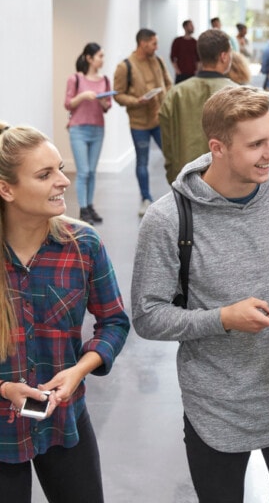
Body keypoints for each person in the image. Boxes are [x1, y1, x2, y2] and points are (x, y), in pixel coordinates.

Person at [131, 86, 269, 503]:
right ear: (218, 148)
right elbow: (147, 315)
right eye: (256, 144)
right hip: (216, 408)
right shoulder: (168, 219)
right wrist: (223, 318)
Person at [0, 125, 130, 503]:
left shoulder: (82, 245)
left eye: (59, 168)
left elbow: (114, 322)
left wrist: (79, 370)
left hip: (63, 421)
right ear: (6, 189)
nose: (63, 181)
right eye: (45, 175)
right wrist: (5, 389)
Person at [159, 29, 237, 184]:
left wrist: (173, 176)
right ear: (224, 56)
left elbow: (167, 144)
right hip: (227, 181)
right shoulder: (237, 94)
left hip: (185, 179)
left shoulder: (175, 94)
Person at [113, 28, 172, 217]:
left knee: (172, 155)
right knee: (142, 161)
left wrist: (166, 98)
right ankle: (146, 198)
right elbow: (118, 95)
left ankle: (179, 195)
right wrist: (136, 101)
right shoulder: (125, 67)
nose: (157, 46)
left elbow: (168, 83)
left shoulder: (158, 61)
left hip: (159, 119)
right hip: (139, 123)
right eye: (154, 43)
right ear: (143, 43)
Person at [64, 42, 112, 225]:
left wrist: (101, 101)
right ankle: (83, 209)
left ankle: (90, 206)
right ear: (89, 58)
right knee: (83, 171)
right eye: (100, 56)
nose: (102, 59)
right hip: (78, 129)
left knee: (92, 171)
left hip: (97, 129)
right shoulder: (75, 79)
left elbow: (108, 106)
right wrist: (84, 96)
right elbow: (68, 104)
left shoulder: (105, 80)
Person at [170, 20, 198, 84]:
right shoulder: (177, 41)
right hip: (181, 75)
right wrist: (177, 71)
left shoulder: (195, 42)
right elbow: (173, 57)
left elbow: (198, 59)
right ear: (185, 27)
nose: (193, 27)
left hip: (192, 75)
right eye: (191, 25)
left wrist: (197, 71)